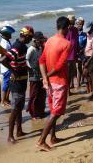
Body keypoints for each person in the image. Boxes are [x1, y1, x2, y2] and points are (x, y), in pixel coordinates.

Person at [36, 16, 71, 152]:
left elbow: (41, 60)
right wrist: (48, 76)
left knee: (52, 109)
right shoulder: (67, 43)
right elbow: (59, 65)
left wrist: (45, 78)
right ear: (67, 28)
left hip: (49, 83)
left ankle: (53, 137)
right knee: (56, 112)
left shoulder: (49, 40)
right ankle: (41, 141)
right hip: (59, 82)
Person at [0, 26, 34, 143]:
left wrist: (27, 68)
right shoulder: (17, 47)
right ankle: (10, 136)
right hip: (16, 83)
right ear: (26, 36)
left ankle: (19, 130)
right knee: (15, 109)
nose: (31, 39)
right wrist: (13, 71)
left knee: (19, 108)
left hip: (22, 80)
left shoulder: (23, 46)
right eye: (30, 37)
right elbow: (3, 60)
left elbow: (21, 61)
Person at [26, 31, 46, 119]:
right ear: (35, 40)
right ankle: (33, 114)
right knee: (34, 95)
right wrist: (30, 69)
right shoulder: (31, 49)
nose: (41, 41)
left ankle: (41, 111)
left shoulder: (40, 48)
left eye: (42, 39)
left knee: (41, 94)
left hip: (41, 74)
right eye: (40, 40)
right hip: (33, 75)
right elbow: (26, 60)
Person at [0, 26, 15, 107]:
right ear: (6, 34)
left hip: (9, 66)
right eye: (10, 34)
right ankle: (3, 100)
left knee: (9, 84)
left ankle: (7, 99)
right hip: (6, 67)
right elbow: (2, 57)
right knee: (6, 84)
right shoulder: (4, 43)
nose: (11, 35)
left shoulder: (7, 41)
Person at [66, 15, 79, 93]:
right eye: (72, 21)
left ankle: (70, 88)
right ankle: (68, 91)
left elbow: (76, 41)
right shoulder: (66, 30)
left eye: (74, 21)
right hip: (67, 56)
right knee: (67, 73)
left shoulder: (75, 29)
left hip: (74, 54)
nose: (74, 22)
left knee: (72, 72)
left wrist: (77, 52)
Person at [76, 17, 87, 87]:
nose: (80, 25)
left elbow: (87, 42)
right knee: (78, 68)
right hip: (76, 52)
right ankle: (78, 83)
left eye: (82, 24)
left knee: (84, 66)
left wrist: (83, 50)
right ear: (76, 24)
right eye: (79, 24)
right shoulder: (74, 32)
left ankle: (83, 80)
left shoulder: (85, 32)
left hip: (84, 52)